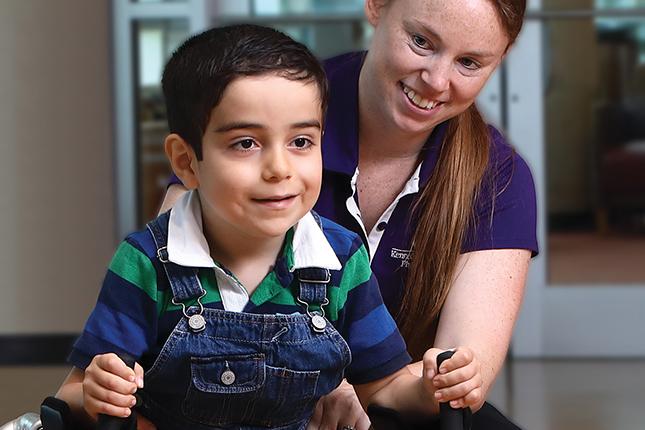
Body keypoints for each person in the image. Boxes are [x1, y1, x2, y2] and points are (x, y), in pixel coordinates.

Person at [54, 24, 456, 430]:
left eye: (301, 142)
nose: (279, 170)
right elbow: (69, 395)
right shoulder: (145, 263)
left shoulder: (342, 259)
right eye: (245, 143)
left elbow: (384, 389)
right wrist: (95, 392)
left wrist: (430, 389)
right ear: (185, 161)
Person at [159, 1, 538, 429]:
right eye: (420, 42)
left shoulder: (498, 178)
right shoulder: (270, 102)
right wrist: (315, 381)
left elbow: (459, 379)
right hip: (232, 398)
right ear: (376, 6)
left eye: (469, 62)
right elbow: (170, 306)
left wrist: (380, 388)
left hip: (398, 405)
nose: (436, 81)